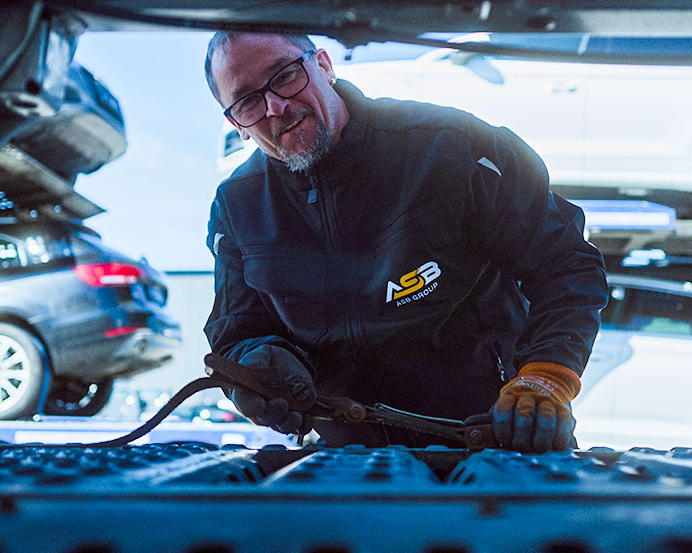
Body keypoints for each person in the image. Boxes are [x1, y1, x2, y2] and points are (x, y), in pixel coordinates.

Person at [203, 32, 607, 452]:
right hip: (349, 460)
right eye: (247, 101)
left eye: (285, 75)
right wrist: (256, 363)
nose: (275, 106)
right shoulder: (237, 207)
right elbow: (237, 331)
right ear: (237, 125)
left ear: (323, 65)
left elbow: (566, 264)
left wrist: (545, 377)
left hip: (498, 441)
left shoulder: (454, 147)